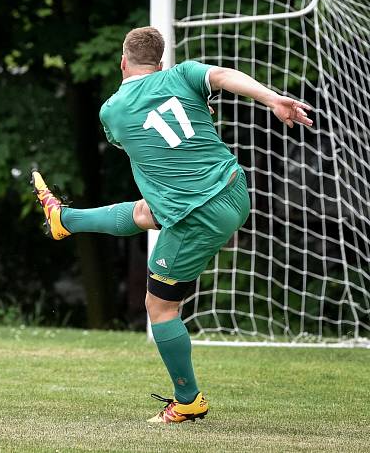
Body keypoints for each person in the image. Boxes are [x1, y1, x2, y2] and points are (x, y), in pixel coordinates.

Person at [32, 26, 313, 423]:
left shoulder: (111, 110)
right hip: (234, 188)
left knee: (160, 307)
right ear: (161, 62)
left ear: (123, 62)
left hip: (198, 215)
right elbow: (224, 75)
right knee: (149, 211)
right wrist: (271, 98)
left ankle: (188, 400)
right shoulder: (184, 75)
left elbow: (137, 138)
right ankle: (64, 220)